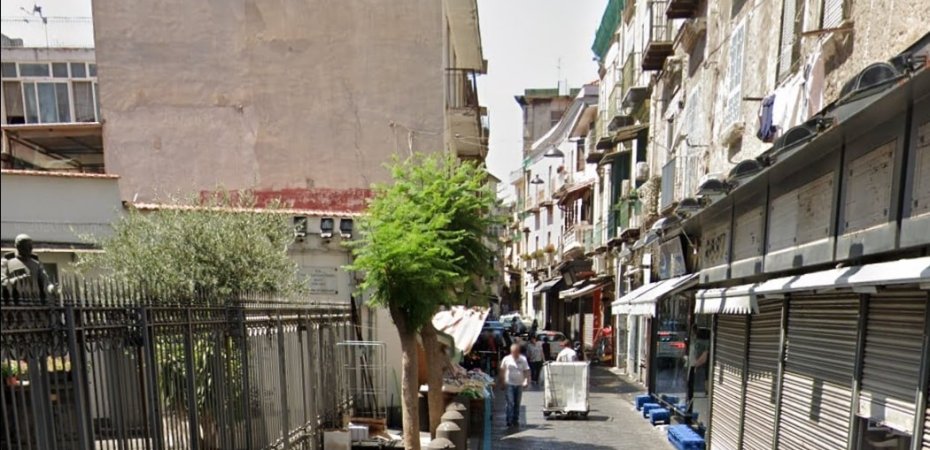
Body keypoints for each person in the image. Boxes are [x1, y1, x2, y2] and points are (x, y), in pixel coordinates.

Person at [1, 234, 55, 303]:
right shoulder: (6, 262)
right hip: (14, 302)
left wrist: (52, 288)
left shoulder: (36, 264)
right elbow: (2, 282)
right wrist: (17, 280)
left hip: (36, 302)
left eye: (31, 245)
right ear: (18, 246)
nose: (31, 248)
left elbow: (45, 281)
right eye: (27, 246)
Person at [499, 343, 530, 427]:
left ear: (518, 352)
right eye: (513, 352)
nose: (515, 354)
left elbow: (526, 370)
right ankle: (509, 420)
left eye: (516, 352)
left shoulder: (523, 359)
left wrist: (526, 381)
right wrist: (502, 382)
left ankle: (515, 419)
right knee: (510, 402)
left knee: (517, 403)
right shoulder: (506, 359)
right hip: (509, 383)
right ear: (511, 352)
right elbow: (502, 370)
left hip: (519, 384)